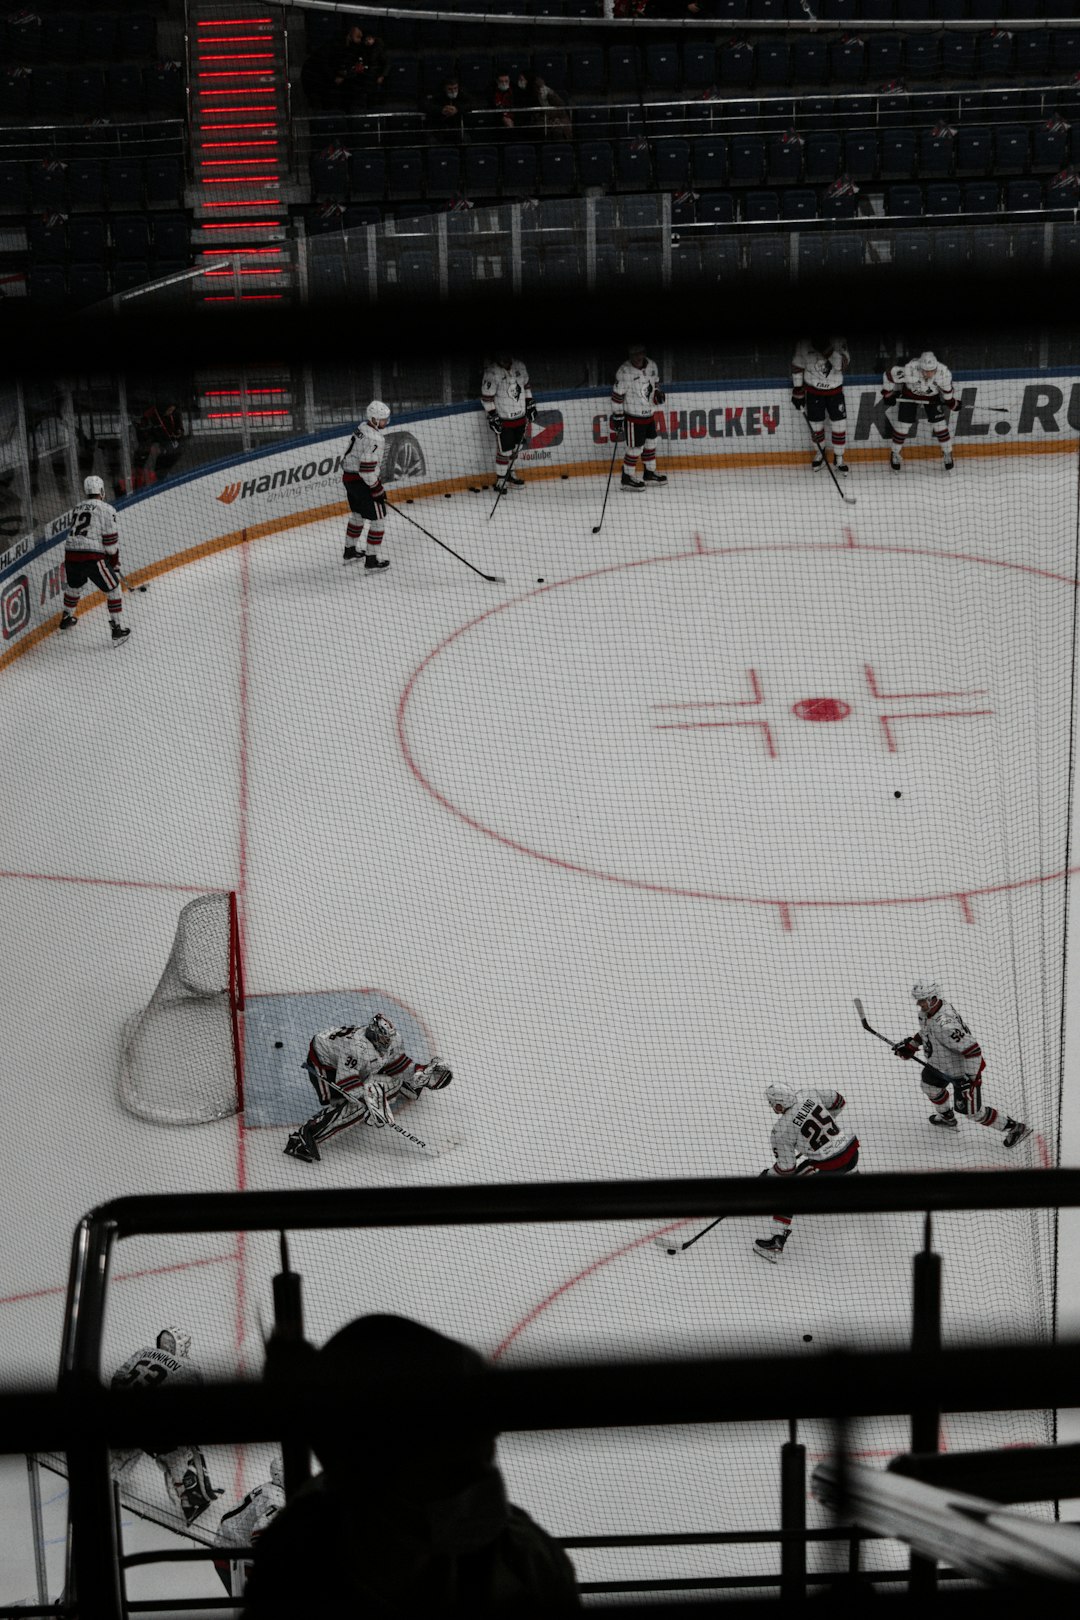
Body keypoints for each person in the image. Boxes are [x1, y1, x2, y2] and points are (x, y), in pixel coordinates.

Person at [242, 1314, 580, 1615]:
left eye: (487, 1454)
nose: (484, 1482)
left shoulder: (528, 1560)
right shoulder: (524, 1565)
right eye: (456, 1467)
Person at [283, 1011, 453, 1163]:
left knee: (384, 1081)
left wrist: (419, 1074)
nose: (387, 1043)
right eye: (383, 1039)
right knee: (353, 1107)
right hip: (325, 1064)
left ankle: (406, 1085)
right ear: (373, 1034)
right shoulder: (356, 1048)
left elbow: (397, 1064)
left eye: (388, 1039)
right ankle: (303, 1138)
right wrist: (371, 1105)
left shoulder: (392, 1039)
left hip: (352, 1064)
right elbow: (347, 1083)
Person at [893, 981, 1030, 1148]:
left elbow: (973, 1051)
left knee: (973, 1113)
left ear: (934, 998)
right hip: (937, 1063)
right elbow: (925, 1032)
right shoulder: (927, 1012)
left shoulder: (946, 1024)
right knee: (929, 1087)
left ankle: (1015, 1128)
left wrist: (971, 1080)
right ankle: (947, 1118)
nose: (918, 1004)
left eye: (922, 1000)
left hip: (960, 1071)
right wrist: (912, 1045)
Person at [111, 1327, 223, 1525]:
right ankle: (191, 1502)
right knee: (180, 1455)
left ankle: (111, 1479)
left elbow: (117, 1377)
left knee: (127, 1445)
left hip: (119, 1415)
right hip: (152, 1428)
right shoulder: (189, 1369)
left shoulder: (144, 1351)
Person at [754, 1085, 859, 1264]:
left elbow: (786, 1170)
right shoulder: (808, 1093)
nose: (772, 1107)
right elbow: (839, 1101)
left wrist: (768, 1175)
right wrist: (821, 1138)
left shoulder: (780, 1131)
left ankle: (776, 1242)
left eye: (772, 1104)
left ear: (779, 1105)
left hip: (830, 1164)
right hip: (851, 1150)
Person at [58, 474, 130, 645]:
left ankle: (67, 617)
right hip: (92, 557)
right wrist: (113, 563)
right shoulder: (107, 509)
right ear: (102, 491)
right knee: (113, 589)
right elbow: (111, 543)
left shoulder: (77, 508)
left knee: (74, 586)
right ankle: (117, 629)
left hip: (70, 555)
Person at [214, 1456, 285, 1596]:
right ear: (279, 1476)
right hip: (232, 1557)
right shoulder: (276, 1499)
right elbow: (259, 1537)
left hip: (226, 1546)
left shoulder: (271, 1488)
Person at [881, 350, 959, 472]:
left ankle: (947, 453)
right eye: (926, 371)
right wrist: (887, 394)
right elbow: (888, 375)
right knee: (903, 426)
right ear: (920, 368)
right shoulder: (910, 370)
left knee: (940, 426)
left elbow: (948, 393)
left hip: (932, 398)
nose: (929, 373)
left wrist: (952, 403)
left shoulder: (944, 373)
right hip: (910, 396)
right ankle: (895, 453)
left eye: (931, 370)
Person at [341, 400, 391, 571]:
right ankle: (371, 561)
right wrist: (377, 489)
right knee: (378, 521)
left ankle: (350, 551)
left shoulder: (362, 427)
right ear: (374, 419)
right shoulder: (375, 438)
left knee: (357, 515)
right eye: (383, 419)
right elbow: (367, 470)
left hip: (349, 479)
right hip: (362, 482)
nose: (386, 422)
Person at [791, 336, 851, 475]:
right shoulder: (803, 342)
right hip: (813, 392)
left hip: (835, 392)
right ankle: (820, 453)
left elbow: (842, 364)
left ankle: (839, 457)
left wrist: (827, 349)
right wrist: (797, 391)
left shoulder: (839, 339)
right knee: (815, 426)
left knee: (839, 425)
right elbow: (797, 366)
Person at [611, 342, 667, 492]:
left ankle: (649, 473)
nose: (637, 357)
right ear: (630, 355)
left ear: (644, 352)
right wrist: (617, 416)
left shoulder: (652, 366)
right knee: (635, 448)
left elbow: (655, 386)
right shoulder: (624, 372)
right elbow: (617, 397)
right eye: (634, 354)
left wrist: (658, 395)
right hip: (634, 418)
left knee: (651, 443)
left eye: (639, 353)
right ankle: (627, 478)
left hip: (649, 415)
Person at [481, 351, 535, 493]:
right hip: (505, 420)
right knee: (504, 451)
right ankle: (500, 480)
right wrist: (493, 416)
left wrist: (530, 404)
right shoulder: (492, 372)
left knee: (516, 448)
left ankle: (510, 474)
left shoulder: (520, 366)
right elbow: (486, 398)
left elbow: (527, 386)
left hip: (521, 418)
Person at [425, 75, 471, 140]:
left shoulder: (462, 94)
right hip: (439, 127)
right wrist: (441, 109)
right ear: (444, 88)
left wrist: (457, 109)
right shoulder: (438, 96)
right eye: (450, 89)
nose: (453, 92)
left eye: (455, 88)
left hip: (457, 127)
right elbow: (426, 106)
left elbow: (471, 104)